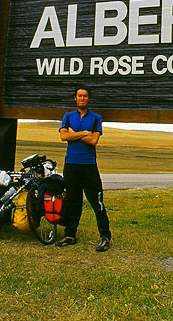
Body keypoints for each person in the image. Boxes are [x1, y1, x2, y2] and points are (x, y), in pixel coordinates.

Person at [55, 84, 111, 251]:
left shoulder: (96, 118)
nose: (82, 98)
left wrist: (74, 134)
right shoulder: (67, 116)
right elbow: (63, 136)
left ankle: (105, 237)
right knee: (73, 202)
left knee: (97, 202)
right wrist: (84, 133)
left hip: (88, 166)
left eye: (85, 96)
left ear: (88, 98)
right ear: (75, 98)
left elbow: (94, 141)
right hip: (71, 165)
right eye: (79, 96)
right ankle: (70, 235)